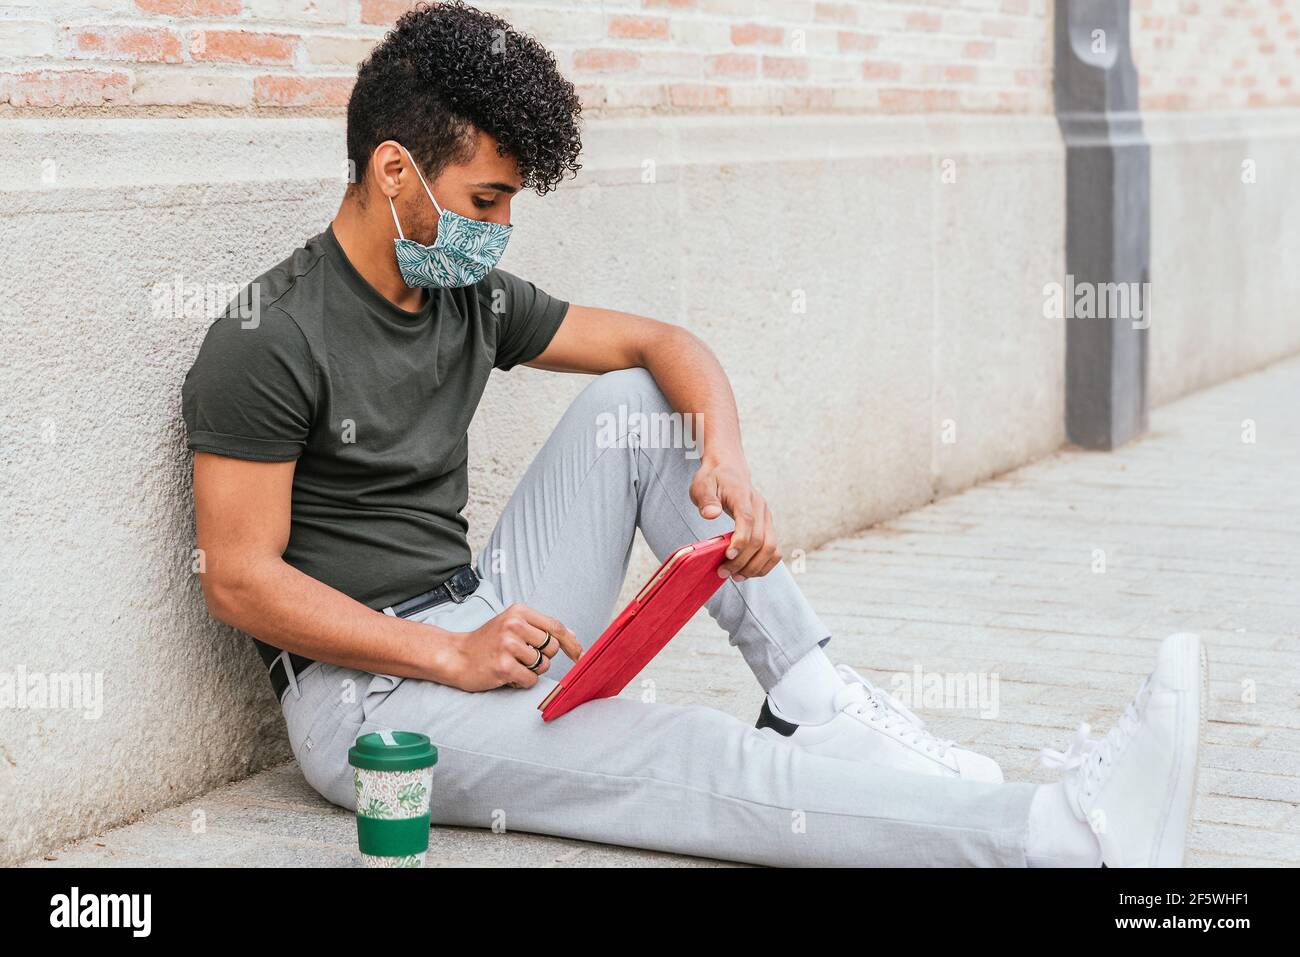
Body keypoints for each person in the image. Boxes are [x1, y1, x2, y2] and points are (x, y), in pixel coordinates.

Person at [181, 1, 1204, 867]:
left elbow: (667, 344)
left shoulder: (469, 298)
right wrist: (446, 658)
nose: (499, 227)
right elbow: (237, 579)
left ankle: (808, 694)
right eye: (484, 201)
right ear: (395, 171)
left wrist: (724, 456)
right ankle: (1061, 833)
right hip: (371, 706)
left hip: (477, 613)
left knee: (634, 400)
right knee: (696, 757)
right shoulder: (269, 337)